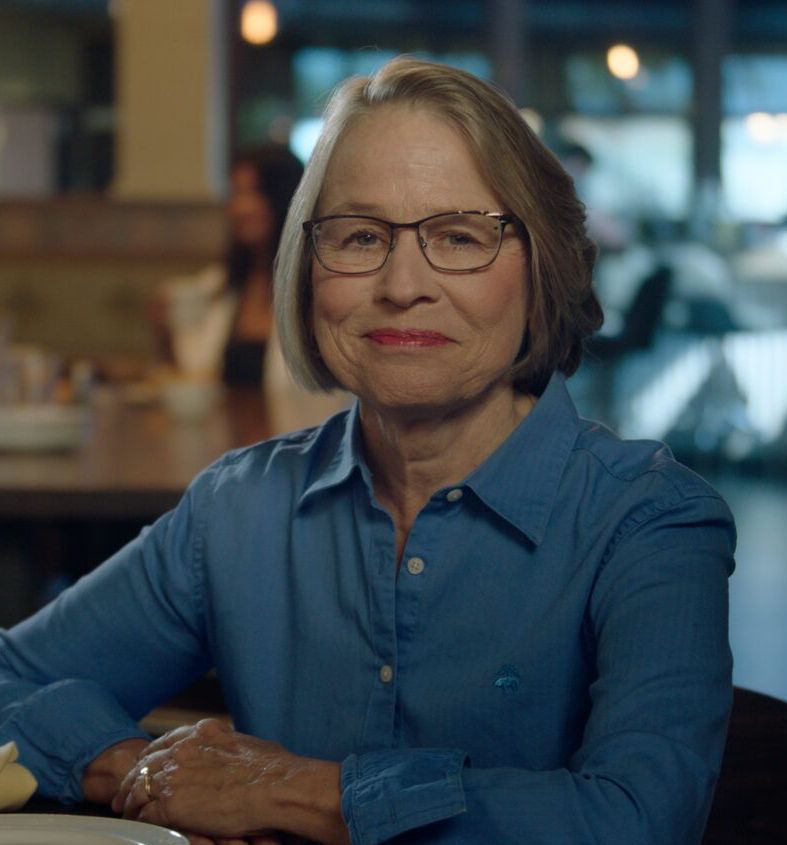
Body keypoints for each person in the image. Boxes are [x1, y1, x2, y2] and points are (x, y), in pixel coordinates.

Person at [0, 57, 736, 845]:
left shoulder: (648, 521)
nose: (401, 284)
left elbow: (637, 820)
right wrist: (135, 768)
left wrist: (302, 794)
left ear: (543, 265)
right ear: (307, 268)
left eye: (459, 235)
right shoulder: (238, 509)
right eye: (358, 236)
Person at [156, 143, 303, 389]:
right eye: (236, 193)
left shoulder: (316, 289)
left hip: (298, 424)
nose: (240, 208)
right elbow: (195, 374)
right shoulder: (219, 284)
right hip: (228, 426)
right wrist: (165, 331)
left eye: (255, 193)